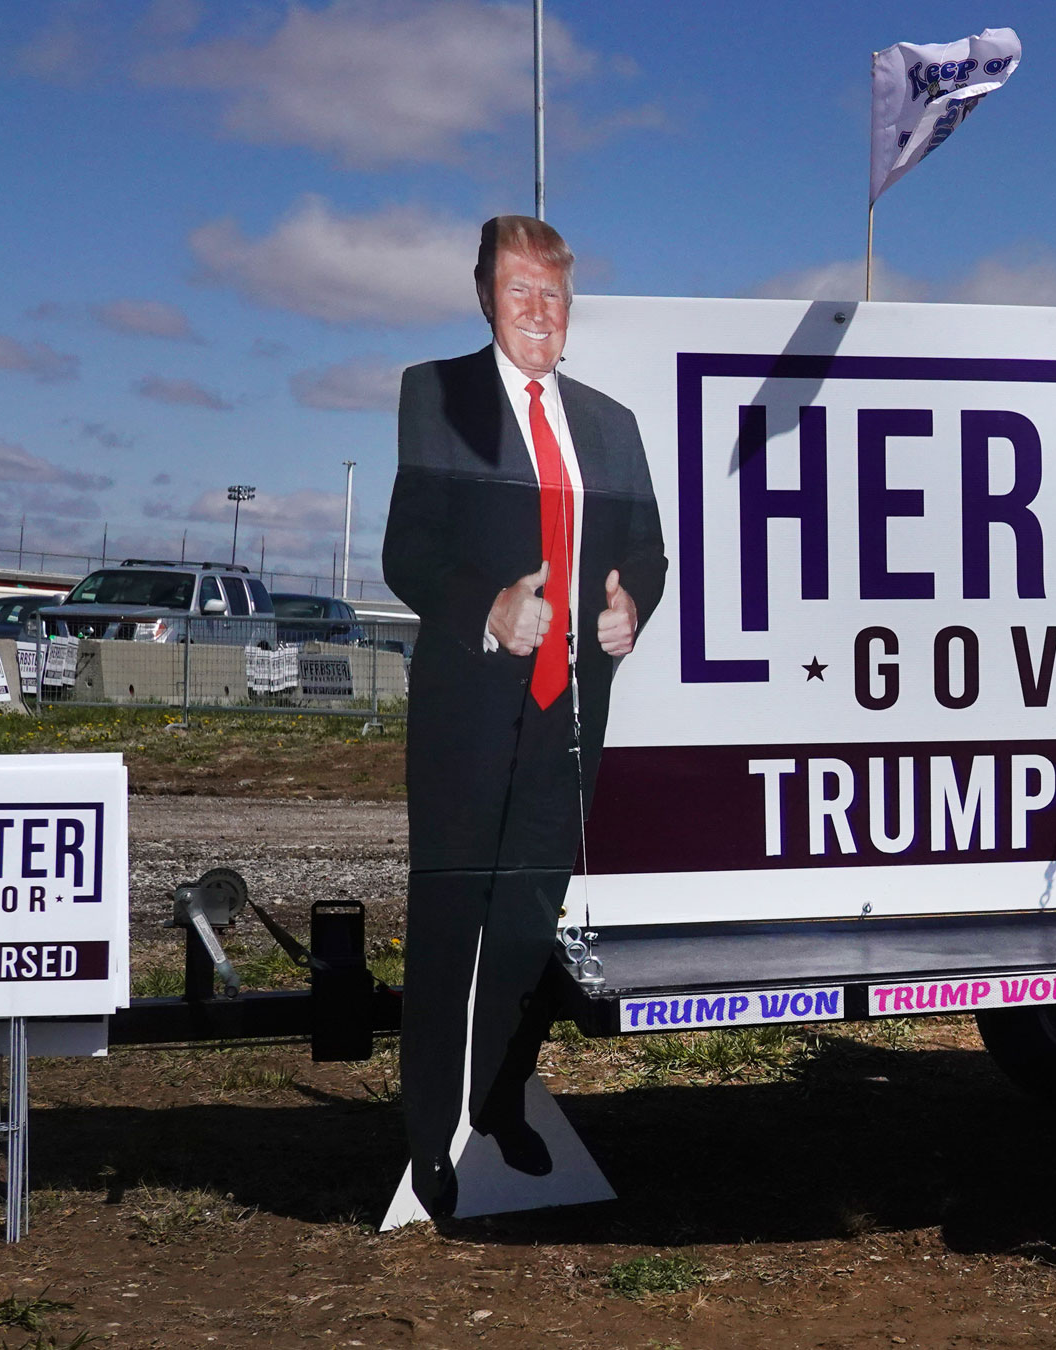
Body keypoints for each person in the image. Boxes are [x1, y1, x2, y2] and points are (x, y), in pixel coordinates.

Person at [384, 215, 668, 1218]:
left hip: (569, 721)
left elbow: (647, 549)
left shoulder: (610, 422)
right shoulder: (441, 396)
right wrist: (490, 608)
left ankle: (499, 1101)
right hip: (470, 717)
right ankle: (430, 1140)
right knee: (451, 929)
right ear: (485, 299)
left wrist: (634, 598)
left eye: (553, 296)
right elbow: (408, 553)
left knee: (523, 934)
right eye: (519, 294)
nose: (539, 314)